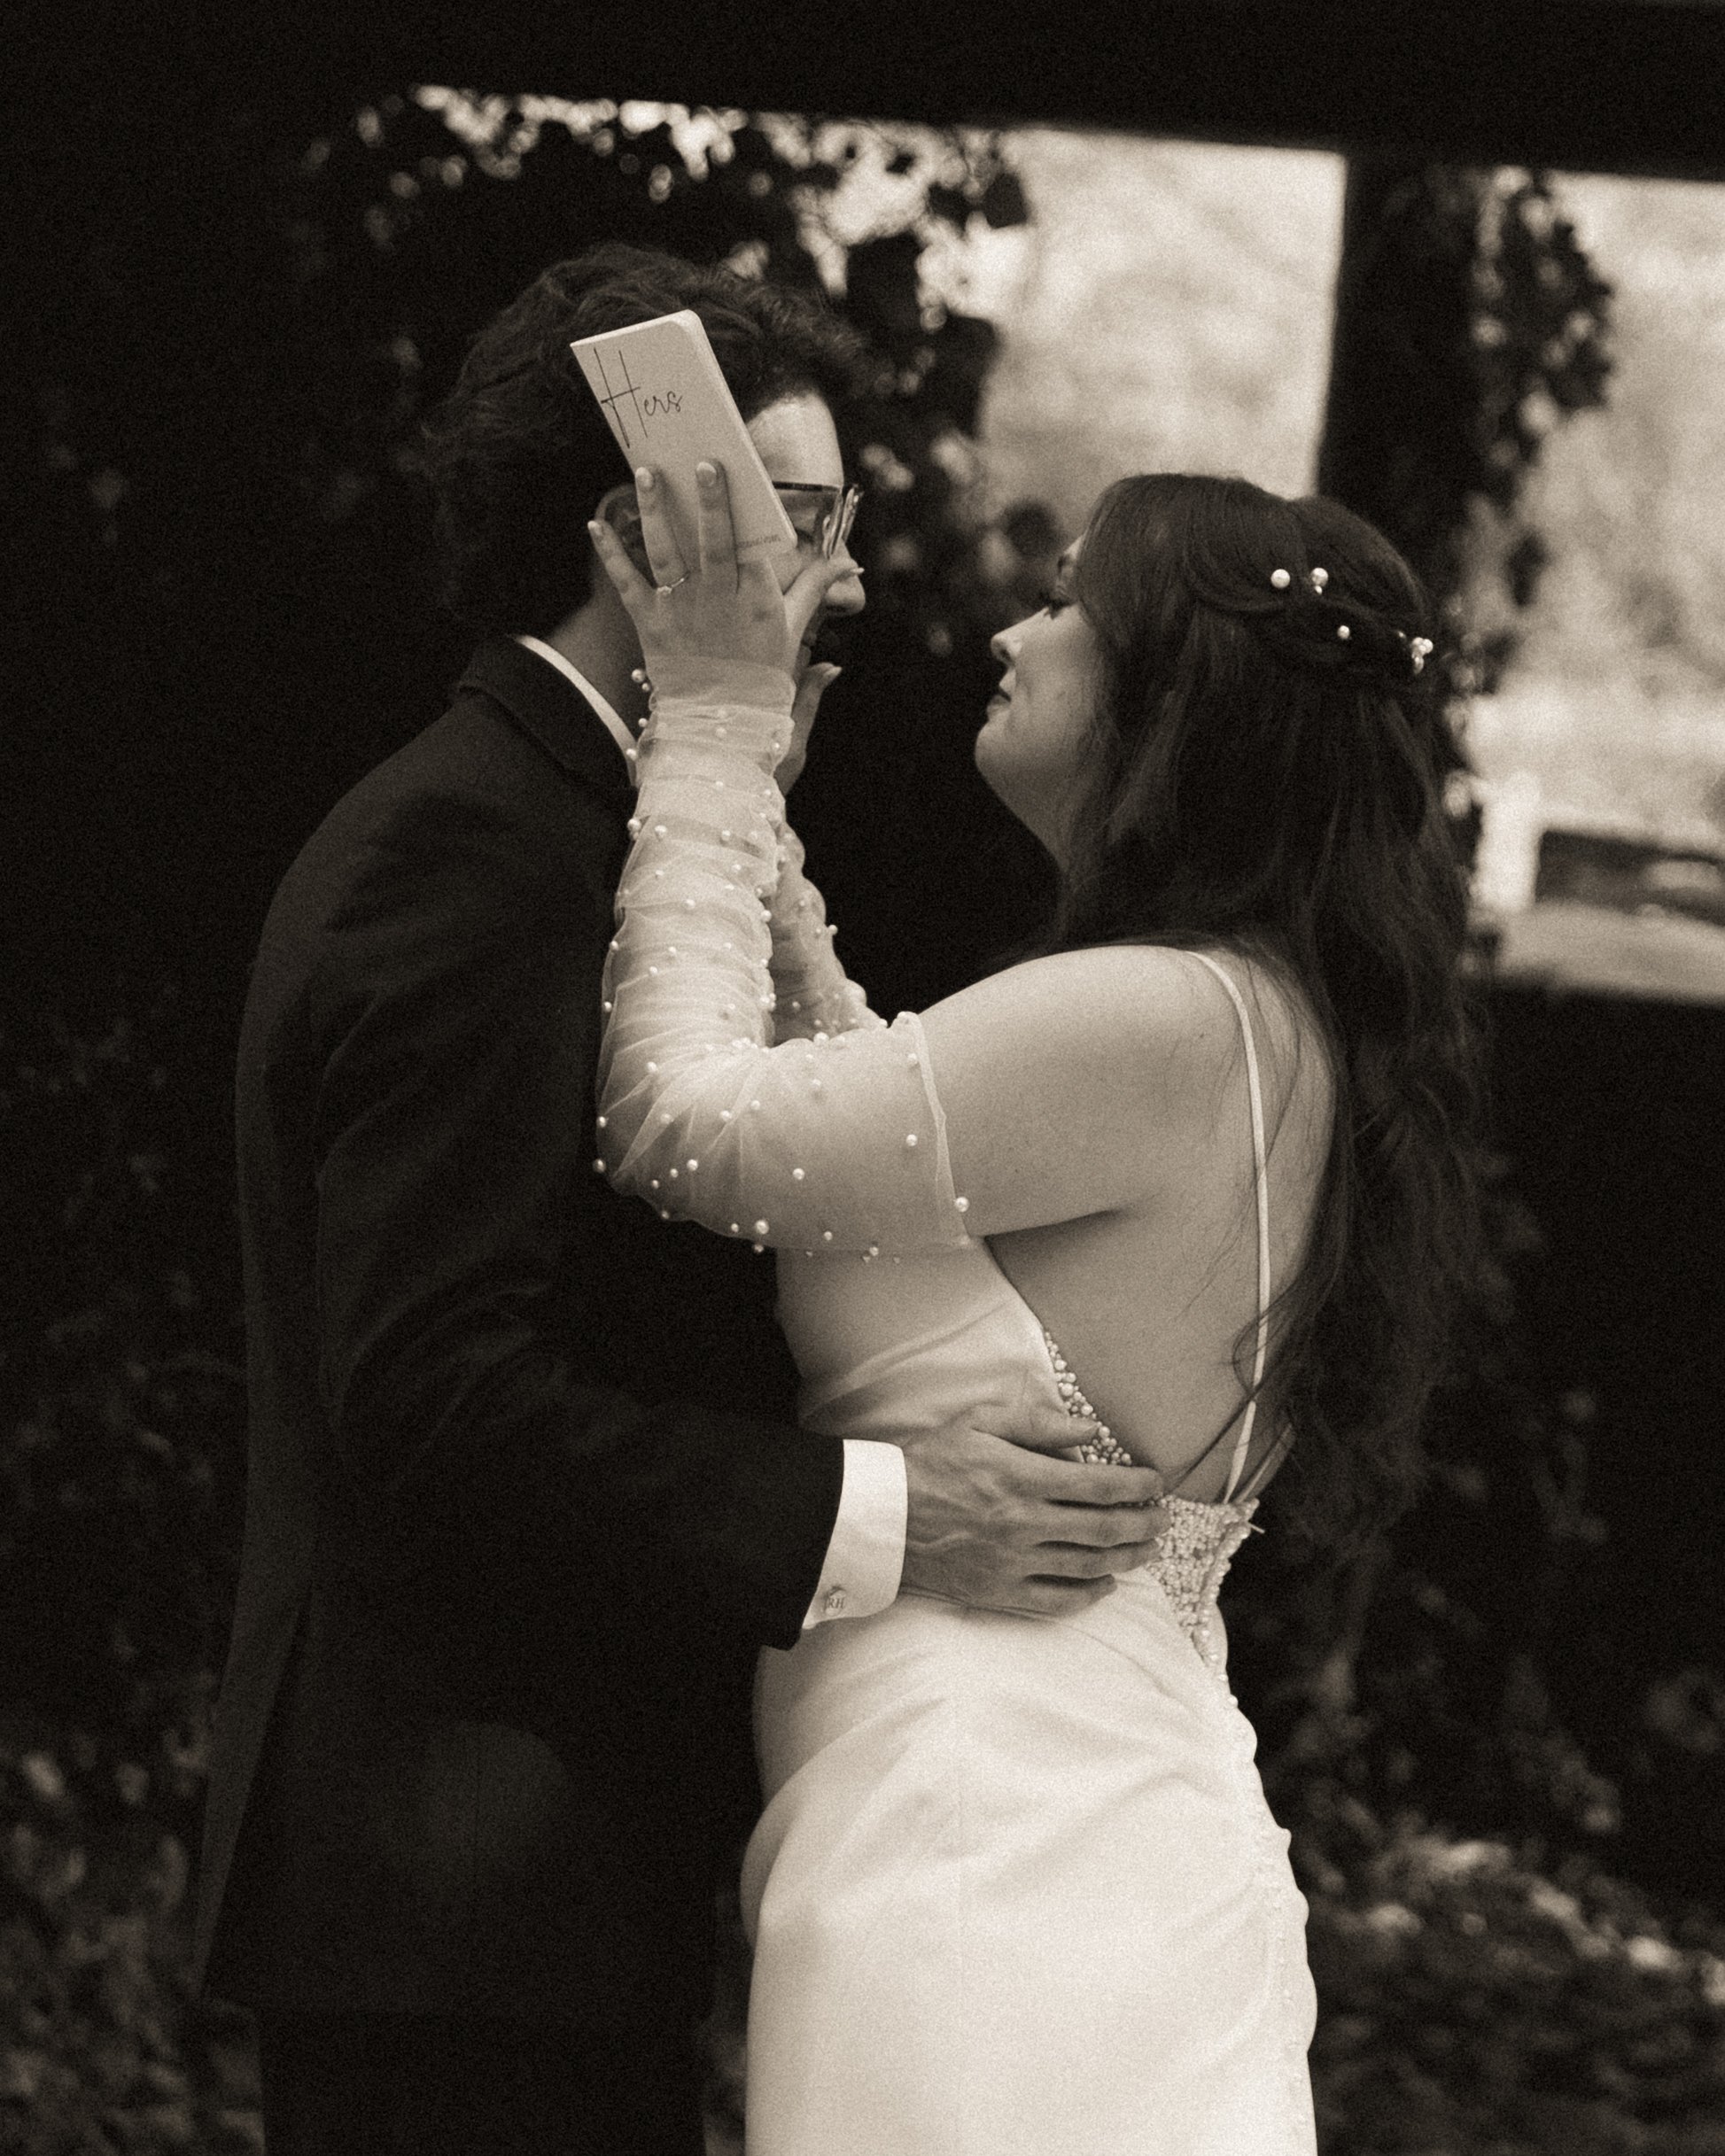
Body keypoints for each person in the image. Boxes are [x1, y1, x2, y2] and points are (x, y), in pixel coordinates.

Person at [190, 244, 1167, 2156]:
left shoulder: (595, 828)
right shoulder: (482, 850)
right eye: (798, 520)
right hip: (455, 1901)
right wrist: (891, 1510)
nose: (856, 578)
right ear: (650, 534)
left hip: (530, 1908)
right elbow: (435, 1398)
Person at [588, 462, 1481, 2152]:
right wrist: (753, 825)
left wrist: (704, 736)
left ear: (1174, 695)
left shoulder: (1155, 1018)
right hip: (1040, 1826)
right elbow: (863, 1129)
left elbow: (688, 1128)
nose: (1013, 628)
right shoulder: (1231, 1015)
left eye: (1069, 599)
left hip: (1003, 1864)